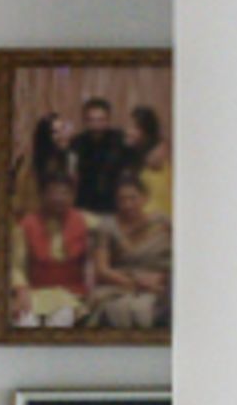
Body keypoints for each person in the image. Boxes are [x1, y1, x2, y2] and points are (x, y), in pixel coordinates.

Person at [15, 176, 104, 328]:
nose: (58, 198)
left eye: (64, 193)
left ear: (73, 196)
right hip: (35, 291)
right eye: (53, 193)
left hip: (71, 293)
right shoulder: (26, 224)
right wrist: (21, 291)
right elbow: (16, 265)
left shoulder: (90, 222)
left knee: (60, 322)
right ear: (42, 195)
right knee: (25, 323)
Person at [94, 176, 170, 330]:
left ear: (145, 198)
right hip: (120, 284)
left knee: (142, 310)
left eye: (133, 198)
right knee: (119, 309)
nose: (127, 204)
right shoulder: (107, 226)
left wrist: (163, 279)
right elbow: (102, 270)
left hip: (158, 286)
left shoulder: (162, 223)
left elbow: (183, 260)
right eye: (122, 199)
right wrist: (135, 283)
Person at [67, 95, 135, 215]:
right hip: (84, 204)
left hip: (115, 205)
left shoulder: (120, 141)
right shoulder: (76, 143)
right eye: (91, 120)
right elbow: (71, 174)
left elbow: (131, 171)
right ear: (85, 121)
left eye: (100, 120)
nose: (96, 124)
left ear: (108, 120)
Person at [130, 104, 172, 217]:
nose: (130, 131)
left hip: (158, 211)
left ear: (146, 130)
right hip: (146, 210)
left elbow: (152, 161)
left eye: (135, 128)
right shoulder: (135, 151)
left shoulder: (158, 149)